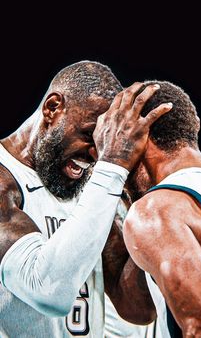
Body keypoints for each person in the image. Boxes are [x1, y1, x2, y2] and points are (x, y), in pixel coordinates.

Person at [0, 61, 173, 338]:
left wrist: (140, 194)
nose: (96, 154)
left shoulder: (95, 185)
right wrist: (114, 165)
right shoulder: (5, 180)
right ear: (53, 107)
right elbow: (46, 292)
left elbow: (139, 308)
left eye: (104, 142)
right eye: (87, 135)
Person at [92, 79, 201, 337]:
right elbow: (140, 308)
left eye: (106, 143)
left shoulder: (157, 211)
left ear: (135, 136)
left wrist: (111, 165)